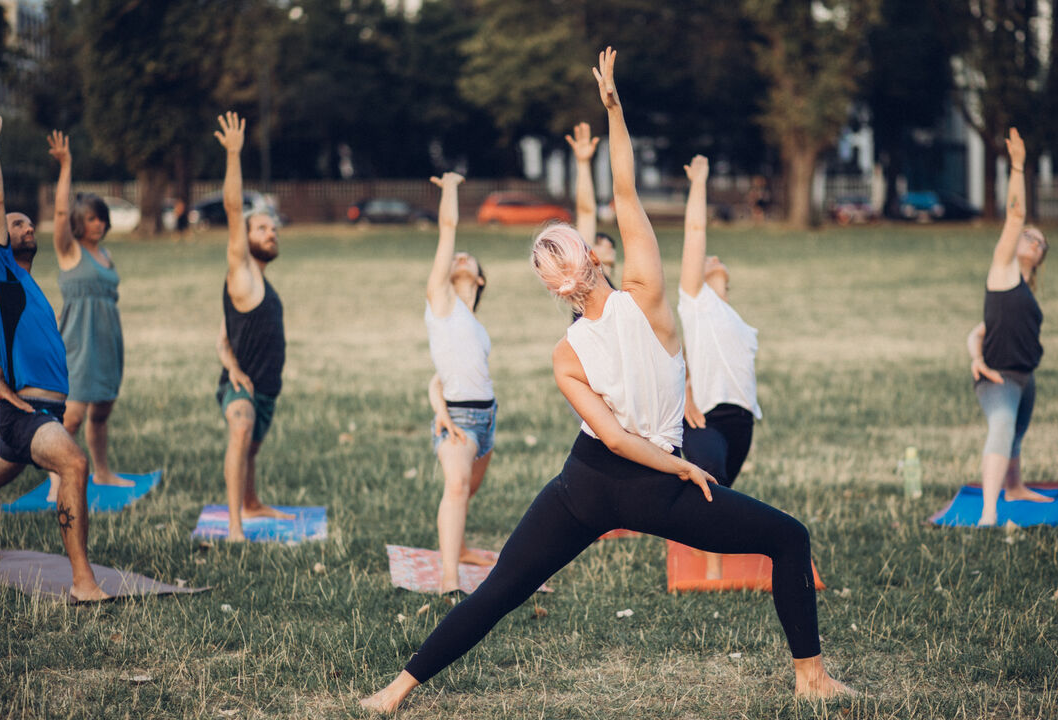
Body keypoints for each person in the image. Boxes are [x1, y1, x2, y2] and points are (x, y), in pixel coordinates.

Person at [361, 48, 850, 713]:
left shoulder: (573, 345)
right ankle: (812, 676)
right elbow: (627, 195)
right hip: (642, 482)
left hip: (584, 485)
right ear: (587, 259)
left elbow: (611, 436)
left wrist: (614, 109)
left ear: (564, 275)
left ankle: (395, 692)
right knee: (787, 538)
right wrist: (681, 471)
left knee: (501, 590)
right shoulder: (645, 296)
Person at [0, 115, 108, 602]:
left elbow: (10, 344)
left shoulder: (28, 286)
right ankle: (82, 582)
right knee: (74, 465)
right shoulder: (3, 273)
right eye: (17, 223)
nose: (26, 225)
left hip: (33, 412)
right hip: (29, 416)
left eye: (29, 222)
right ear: (0, 238)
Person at [678, 154, 763, 579]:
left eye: (716, 258)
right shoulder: (695, 303)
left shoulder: (741, 325)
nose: (710, 258)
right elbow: (695, 231)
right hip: (706, 416)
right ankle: (711, 570)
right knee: (709, 482)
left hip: (742, 418)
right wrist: (699, 183)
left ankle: (710, 547)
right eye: (705, 258)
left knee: (723, 491)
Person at [964, 128, 1052, 527]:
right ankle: (988, 513)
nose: (1031, 240)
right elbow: (1016, 214)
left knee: (1015, 435)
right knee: (1001, 427)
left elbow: (982, 326)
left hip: (1024, 376)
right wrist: (1017, 166)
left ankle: (1014, 487)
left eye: (1039, 242)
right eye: (1028, 236)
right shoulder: (1002, 270)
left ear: (1041, 257)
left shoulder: (1024, 292)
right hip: (997, 375)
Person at [212, 112, 292, 542]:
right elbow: (231, 207)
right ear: (244, 238)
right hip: (240, 386)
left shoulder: (263, 283)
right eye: (262, 227)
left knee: (253, 448)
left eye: (273, 227)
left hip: (266, 385)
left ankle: (251, 501)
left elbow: (224, 335)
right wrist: (234, 155)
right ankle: (236, 527)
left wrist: (227, 354)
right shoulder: (240, 272)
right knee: (240, 430)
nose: (271, 232)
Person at [44, 131, 133, 502]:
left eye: (103, 218)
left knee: (100, 414)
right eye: (93, 219)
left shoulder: (106, 254)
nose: (99, 224)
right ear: (81, 222)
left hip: (108, 339)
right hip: (78, 342)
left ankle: (103, 472)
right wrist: (66, 166)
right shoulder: (69, 250)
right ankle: (55, 480)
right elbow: (61, 212)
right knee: (72, 418)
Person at [424, 171, 496, 596]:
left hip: (487, 418)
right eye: (456, 257)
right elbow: (447, 230)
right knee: (455, 487)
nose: (460, 258)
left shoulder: (473, 324)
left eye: (468, 258)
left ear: (480, 279)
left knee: (467, 491)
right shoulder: (442, 304)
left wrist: (439, 400)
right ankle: (450, 581)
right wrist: (450, 188)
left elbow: (438, 376)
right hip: (460, 419)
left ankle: (463, 548)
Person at [566, 121, 618, 283]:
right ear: (591, 251)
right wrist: (582, 164)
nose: (609, 247)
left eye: (610, 245)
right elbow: (587, 212)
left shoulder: (617, 292)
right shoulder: (586, 285)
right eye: (601, 243)